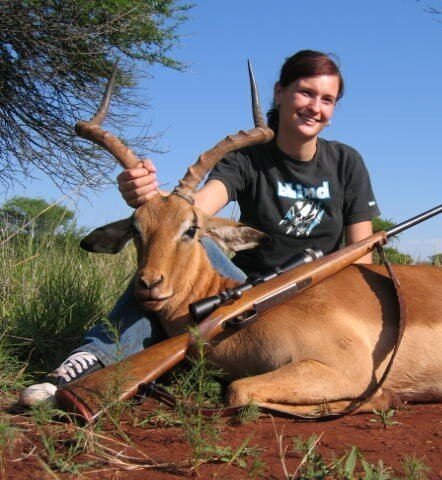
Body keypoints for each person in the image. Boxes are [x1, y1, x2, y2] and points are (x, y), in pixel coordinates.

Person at [19, 49, 380, 407]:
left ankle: (107, 361)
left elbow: (361, 257)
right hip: (242, 290)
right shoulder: (246, 159)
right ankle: (85, 362)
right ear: (279, 92)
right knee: (183, 239)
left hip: (314, 294)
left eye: (327, 99)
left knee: (166, 287)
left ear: (333, 111)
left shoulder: (346, 162)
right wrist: (147, 195)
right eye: (306, 92)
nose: (315, 106)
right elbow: (189, 212)